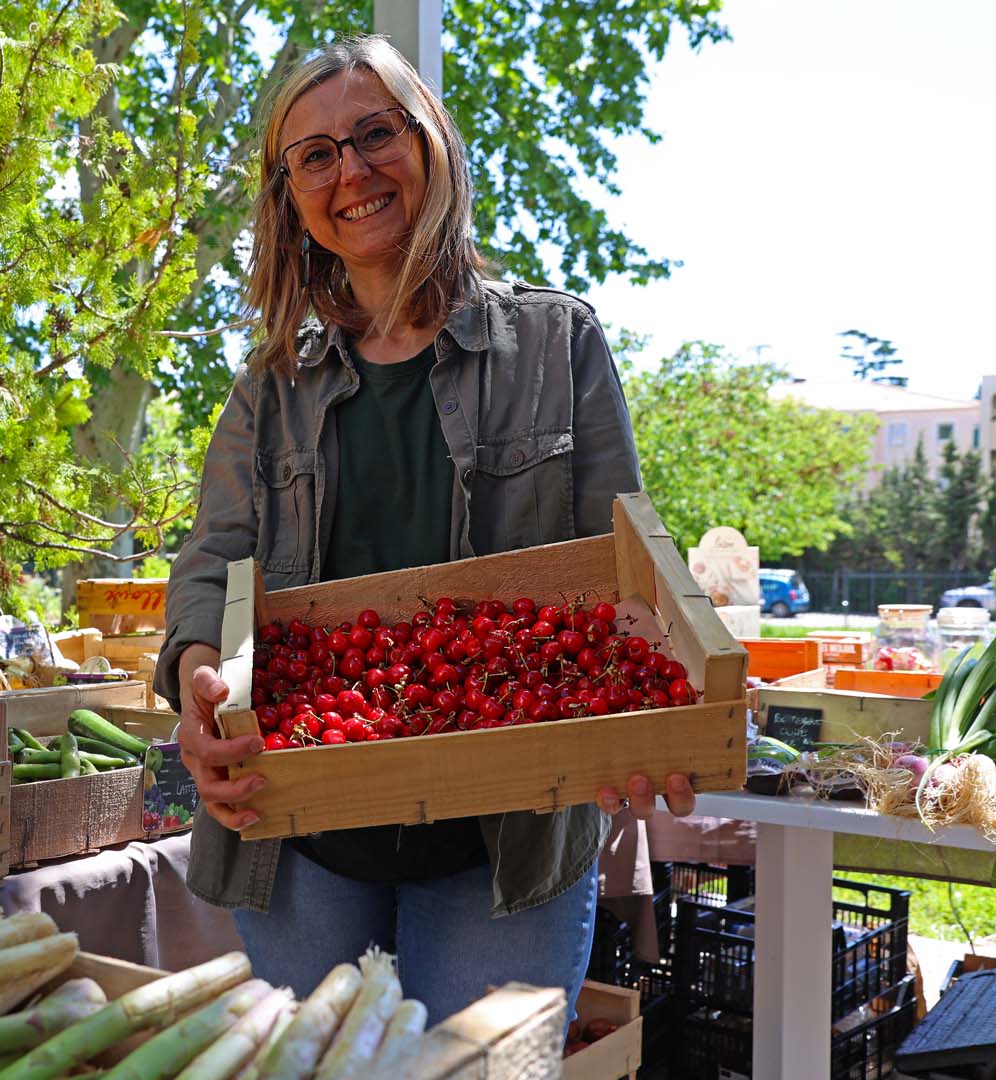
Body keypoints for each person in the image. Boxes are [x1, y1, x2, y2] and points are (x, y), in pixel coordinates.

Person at [153, 34, 696, 1024]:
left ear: (432, 145)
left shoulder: (556, 342)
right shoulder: (266, 392)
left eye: (375, 134)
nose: (351, 170)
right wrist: (202, 675)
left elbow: (629, 569)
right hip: (303, 843)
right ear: (291, 197)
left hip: (504, 844)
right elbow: (212, 573)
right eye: (316, 155)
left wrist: (655, 703)